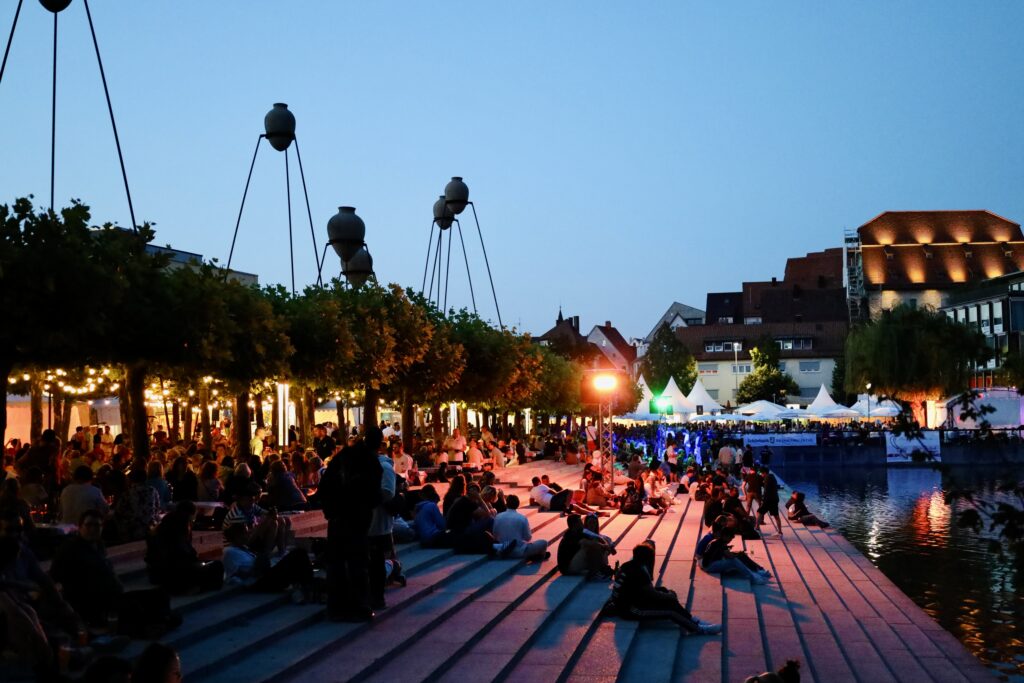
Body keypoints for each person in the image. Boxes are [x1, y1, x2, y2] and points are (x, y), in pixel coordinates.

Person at [50, 510, 180, 635]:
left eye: (97, 525)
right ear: (80, 527)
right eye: (89, 525)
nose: (93, 529)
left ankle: (161, 621)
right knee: (134, 607)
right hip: (94, 604)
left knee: (159, 595)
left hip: (112, 596)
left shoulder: (99, 545)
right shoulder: (69, 549)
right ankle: (150, 626)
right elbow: (54, 576)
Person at [319, 427, 384, 622]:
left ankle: (336, 606)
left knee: (337, 563)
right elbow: (373, 495)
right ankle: (358, 606)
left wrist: (331, 511)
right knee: (357, 562)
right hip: (355, 518)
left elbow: (326, 485)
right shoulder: (372, 463)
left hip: (340, 517)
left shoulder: (345, 456)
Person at [605, 541, 721, 634]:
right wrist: (669, 596)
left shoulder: (629, 565)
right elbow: (652, 593)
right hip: (630, 610)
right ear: (646, 559)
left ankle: (693, 619)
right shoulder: (638, 571)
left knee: (664, 592)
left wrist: (667, 595)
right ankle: (699, 629)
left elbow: (648, 590)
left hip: (635, 598)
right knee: (670, 611)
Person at [146, 501, 224, 594]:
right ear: (191, 515)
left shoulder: (164, 525)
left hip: (160, 571)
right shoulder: (179, 528)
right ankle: (197, 588)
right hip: (175, 572)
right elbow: (184, 555)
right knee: (216, 566)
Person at [222, 523, 313, 596]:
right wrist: (259, 566)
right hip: (257, 582)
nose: (248, 535)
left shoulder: (245, 548)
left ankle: (307, 586)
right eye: (245, 533)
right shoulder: (229, 552)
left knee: (299, 555)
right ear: (237, 536)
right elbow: (237, 574)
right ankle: (308, 587)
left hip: (265, 575)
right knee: (298, 553)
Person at [368, 437, 398, 610]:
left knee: (378, 559)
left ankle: (377, 596)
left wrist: (368, 497)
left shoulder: (384, 468)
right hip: (370, 522)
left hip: (380, 523)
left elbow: (387, 492)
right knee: (374, 559)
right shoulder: (372, 467)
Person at [223, 484, 290, 555]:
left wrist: (273, 513)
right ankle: (265, 555)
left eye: (253, 499)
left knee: (282, 520)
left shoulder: (250, 506)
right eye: (250, 499)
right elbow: (243, 537)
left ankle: (282, 551)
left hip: (246, 537)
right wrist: (262, 524)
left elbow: (267, 513)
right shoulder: (237, 515)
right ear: (242, 500)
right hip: (238, 545)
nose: (253, 502)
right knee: (272, 523)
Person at [701, 527, 770, 584]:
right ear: (725, 536)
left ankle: (756, 571)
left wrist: (738, 554)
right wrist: (738, 555)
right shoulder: (719, 543)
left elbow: (725, 554)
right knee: (734, 561)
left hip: (714, 561)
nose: (730, 540)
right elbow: (730, 556)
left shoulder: (718, 541)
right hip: (709, 566)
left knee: (739, 556)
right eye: (730, 538)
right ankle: (753, 578)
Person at [492, 495, 548, 561]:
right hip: (519, 551)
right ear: (518, 505)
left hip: (502, 548)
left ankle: (534, 555)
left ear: (506, 504)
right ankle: (537, 557)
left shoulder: (498, 516)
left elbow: (495, 534)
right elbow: (528, 537)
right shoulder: (521, 518)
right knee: (544, 542)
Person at [557, 514, 614, 578]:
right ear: (576, 524)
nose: (582, 523)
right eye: (580, 521)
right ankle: (597, 571)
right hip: (567, 569)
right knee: (590, 546)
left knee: (595, 543)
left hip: (574, 562)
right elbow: (586, 542)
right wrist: (603, 546)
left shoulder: (580, 532)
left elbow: (597, 537)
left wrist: (605, 545)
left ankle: (601, 568)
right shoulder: (571, 534)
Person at [113, 467, 161, 543]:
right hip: (150, 529)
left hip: (133, 531)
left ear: (131, 479)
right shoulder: (152, 491)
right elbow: (157, 508)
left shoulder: (127, 493)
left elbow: (118, 512)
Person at [756, 466, 783, 536]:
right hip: (775, 499)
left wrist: (763, 499)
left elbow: (766, 490)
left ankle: (756, 528)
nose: (761, 475)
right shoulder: (772, 477)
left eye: (761, 473)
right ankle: (780, 531)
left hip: (768, 499)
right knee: (776, 515)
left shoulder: (767, 478)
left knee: (759, 512)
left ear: (764, 473)